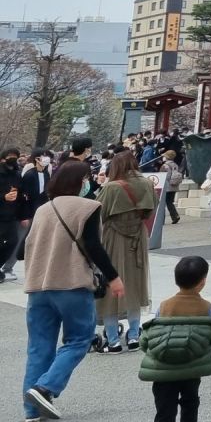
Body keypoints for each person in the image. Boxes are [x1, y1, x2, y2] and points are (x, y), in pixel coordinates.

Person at [21, 160, 126, 421]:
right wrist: (113, 277)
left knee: (39, 347)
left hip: (38, 288)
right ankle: (45, 388)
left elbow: (28, 246)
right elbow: (93, 245)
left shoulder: (43, 210)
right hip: (70, 284)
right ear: (80, 182)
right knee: (79, 339)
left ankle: (32, 411)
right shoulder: (88, 207)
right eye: (87, 178)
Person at [138, 255, 211, 422]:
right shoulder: (205, 307)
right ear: (202, 282)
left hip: (163, 370)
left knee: (164, 409)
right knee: (190, 403)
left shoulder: (165, 305)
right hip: (191, 367)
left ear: (176, 280)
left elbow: (148, 339)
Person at [94, 151, 155, 352]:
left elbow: (98, 213)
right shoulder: (146, 183)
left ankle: (113, 340)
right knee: (135, 286)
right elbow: (150, 209)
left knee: (111, 284)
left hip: (114, 237)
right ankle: (134, 335)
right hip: (138, 236)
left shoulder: (111, 187)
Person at [5, 151, 50, 280]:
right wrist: (24, 216)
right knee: (18, 241)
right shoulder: (30, 175)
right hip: (27, 213)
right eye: (43, 156)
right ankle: (7, 267)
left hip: (39, 213)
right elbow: (23, 197)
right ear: (36, 158)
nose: (46, 159)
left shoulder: (46, 174)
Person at [0, 147, 25, 282]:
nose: (12, 158)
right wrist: (4, 197)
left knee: (12, 243)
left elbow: (20, 193)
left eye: (15, 155)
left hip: (11, 215)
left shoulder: (17, 174)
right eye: (10, 155)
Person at [158, 151, 183, 225]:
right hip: (174, 186)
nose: (163, 157)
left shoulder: (165, 166)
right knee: (170, 202)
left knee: (163, 203)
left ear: (167, 157)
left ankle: (163, 219)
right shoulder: (175, 165)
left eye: (164, 156)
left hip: (167, 187)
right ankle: (175, 216)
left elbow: (164, 176)